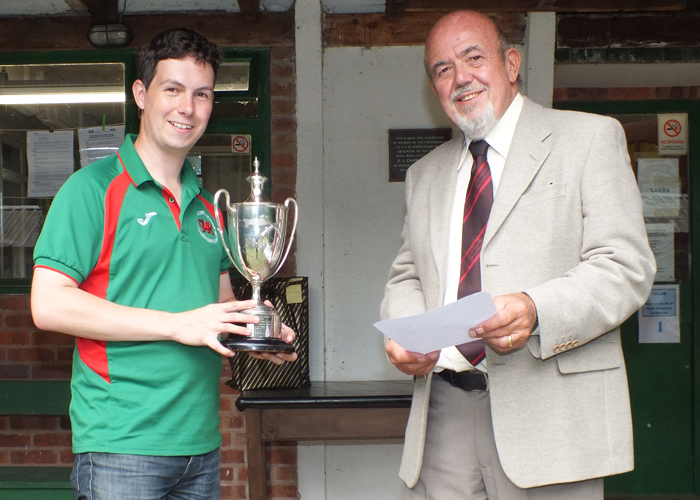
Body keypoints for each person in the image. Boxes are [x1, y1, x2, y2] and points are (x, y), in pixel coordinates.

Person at [381, 10, 655, 500]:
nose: (460, 77)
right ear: (434, 88)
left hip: (553, 415)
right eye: (443, 69)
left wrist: (535, 308)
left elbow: (625, 265)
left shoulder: (589, 138)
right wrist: (405, 333)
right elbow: (407, 275)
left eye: (473, 57)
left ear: (511, 64)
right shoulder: (426, 173)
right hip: (445, 413)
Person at [30, 27, 296, 500]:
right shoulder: (92, 189)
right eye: (172, 89)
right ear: (141, 94)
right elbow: (48, 305)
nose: (187, 108)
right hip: (121, 446)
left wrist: (256, 333)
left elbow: (215, 305)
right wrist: (177, 325)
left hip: (200, 445)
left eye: (202, 94)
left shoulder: (210, 208)